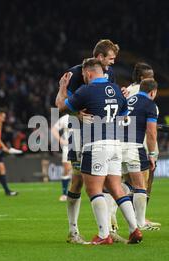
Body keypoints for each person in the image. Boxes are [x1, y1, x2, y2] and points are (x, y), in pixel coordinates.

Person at [56, 58, 142, 245]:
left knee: (93, 189)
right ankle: (134, 229)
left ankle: (103, 235)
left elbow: (61, 107)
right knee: (116, 188)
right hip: (115, 144)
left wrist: (63, 87)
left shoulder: (86, 90)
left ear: (88, 73)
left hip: (95, 144)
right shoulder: (117, 90)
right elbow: (124, 117)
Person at [59, 39, 120, 244]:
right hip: (80, 132)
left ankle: (106, 231)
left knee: (109, 183)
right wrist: (77, 115)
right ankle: (73, 230)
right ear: (100, 57)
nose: (112, 63)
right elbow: (61, 105)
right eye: (110, 59)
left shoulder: (109, 74)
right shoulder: (75, 74)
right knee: (77, 180)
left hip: (104, 134)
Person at [119, 78, 158, 230]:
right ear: (153, 92)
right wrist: (152, 154)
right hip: (133, 146)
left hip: (116, 145)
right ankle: (140, 223)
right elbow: (151, 132)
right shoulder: (150, 104)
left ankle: (110, 219)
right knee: (140, 185)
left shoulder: (126, 100)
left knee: (119, 184)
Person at [51, 114, 72, 202]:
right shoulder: (65, 118)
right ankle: (64, 194)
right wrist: (61, 140)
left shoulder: (83, 114)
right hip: (69, 147)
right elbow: (54, 129)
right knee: (67, 169)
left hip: (83, 146)